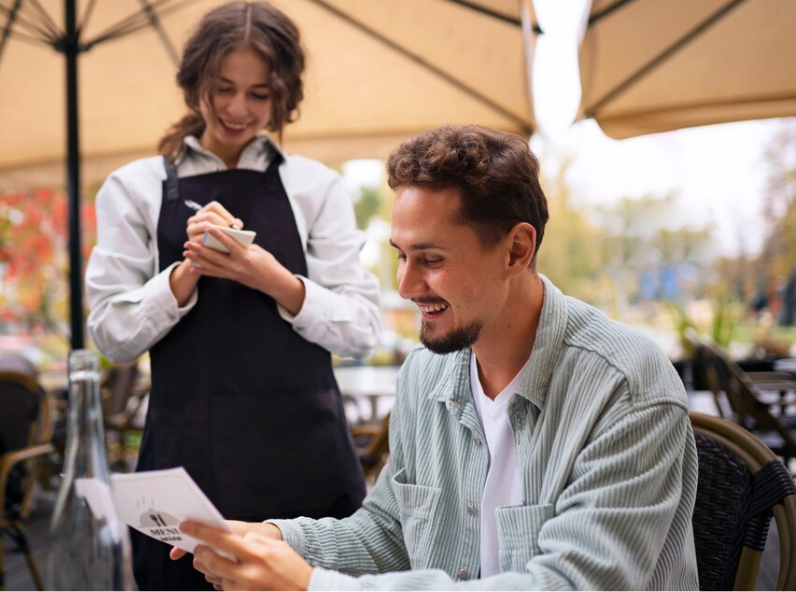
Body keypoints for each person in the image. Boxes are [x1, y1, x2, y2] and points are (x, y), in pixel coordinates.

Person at [173, 124, 700, 590]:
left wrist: (312, 586)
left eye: (430, 259)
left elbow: (571, 584)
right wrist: (275, 541)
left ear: (517, 250)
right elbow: (389, 531)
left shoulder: (625, 386)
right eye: (401, 256)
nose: (405, 286)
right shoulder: (426, 373)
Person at [84, 2, 382, 589]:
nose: (238, 109)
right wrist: (184, 273)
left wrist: (270, 277)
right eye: (222, 88)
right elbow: (110, 335)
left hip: (307, 461)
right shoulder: (134, 188)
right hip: (187, 468)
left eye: (259, 94)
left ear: (283, 97)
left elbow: (363, 329)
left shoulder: (316, 186)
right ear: (194, 80)